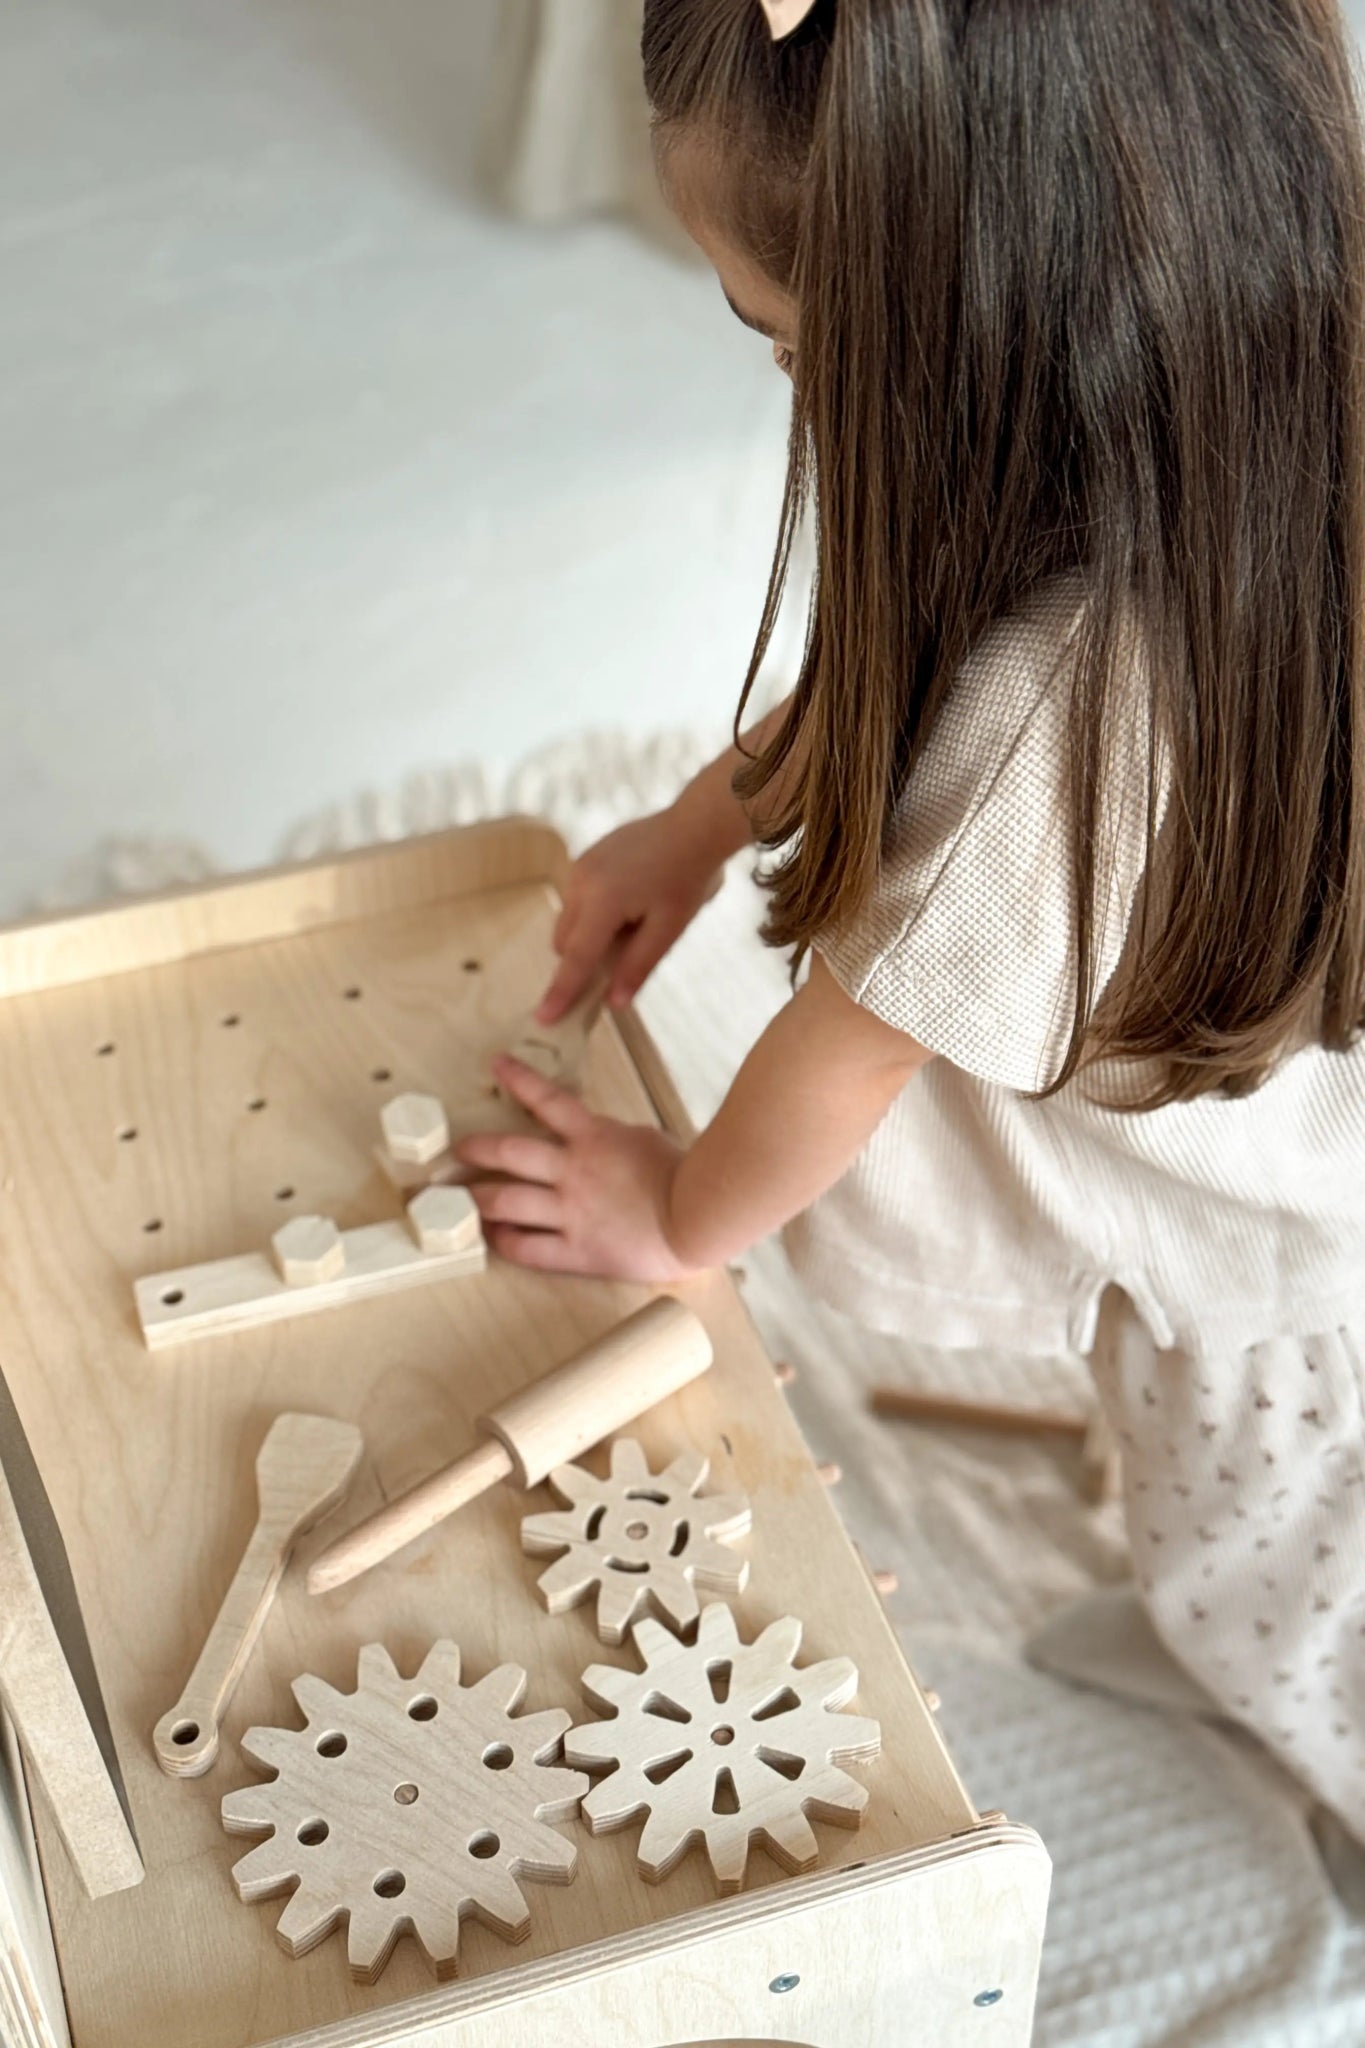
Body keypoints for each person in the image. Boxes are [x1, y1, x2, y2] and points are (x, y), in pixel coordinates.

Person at [459, 0, 1365, 1853]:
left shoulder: (1067, 737)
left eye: (786, 352)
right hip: (1314, 1150)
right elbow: (912, 678)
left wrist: (678, 1208)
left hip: (1298, 1301)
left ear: (977, 354)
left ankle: (1319, 1745)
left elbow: (856, 1031)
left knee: (1273, 1572)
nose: (786, 390)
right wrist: (694, 824)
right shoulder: (1257, 422)